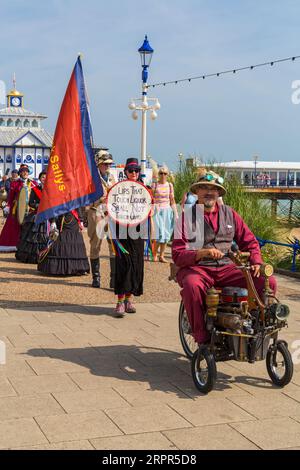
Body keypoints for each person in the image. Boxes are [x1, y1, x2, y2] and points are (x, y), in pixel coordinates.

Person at [172, 170, 277, 345]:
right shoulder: (185, 218)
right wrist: (200, 253)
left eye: (213, 189)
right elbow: (177, 254)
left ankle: (259, 328)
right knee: (192, 285)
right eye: (204, 188)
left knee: (268, 282)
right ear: (196, 192)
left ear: (219, 193)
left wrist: (256, 261)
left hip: (227, 268)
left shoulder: (230, 213)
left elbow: (250, 241)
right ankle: (201, 338)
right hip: (198, 269)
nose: (208, 192)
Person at [113, 158, 148, 317]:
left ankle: (129, 300)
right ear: (125, 172)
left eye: (136, 170)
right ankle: (120, 302)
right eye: (131, 170)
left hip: (138, 231)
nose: (134, 173)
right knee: (123, 264)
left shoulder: (145, 189)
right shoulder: (118, 189)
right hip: (122, 231)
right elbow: (111, 207)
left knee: (135, 264)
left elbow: (150, 209)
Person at [87, 150, 116, 288]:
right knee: (95, 245)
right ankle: (96, 277)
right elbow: (85, 199)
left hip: (110, 214)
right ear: (98, 164)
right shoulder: (91, 179)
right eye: (105, 164)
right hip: (96, 212)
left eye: (109, 164)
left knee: (113, 246)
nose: (108, 166)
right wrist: (98, 199)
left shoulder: (112, 178)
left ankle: (113, 278)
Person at [37, 208, 90, 276]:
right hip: (61, 218)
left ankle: (75, 268)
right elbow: (55, 205)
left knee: (72, 240)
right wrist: (53, 221)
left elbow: (78, 204)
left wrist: (81, 219)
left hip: (73, 219)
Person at [0, 164, 36, 252]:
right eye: (23, 171)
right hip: (16, 210)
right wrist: (8, 206)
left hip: (30, 210)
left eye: (26, 171)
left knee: (29, 227)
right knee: (14, 227)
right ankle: (13, 245)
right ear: (20, 173)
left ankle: (27, 246)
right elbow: (11, 197)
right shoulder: (15, 183)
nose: (25, 173)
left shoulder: (33, 184)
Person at [15, 171, 48, 263]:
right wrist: (38, 205)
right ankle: (33, 256)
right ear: (40, 179)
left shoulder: (52, 189)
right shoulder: (35, 189)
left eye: (46, 177)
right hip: (36, 214)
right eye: (42, 177)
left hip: (48, 215)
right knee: (32, 236)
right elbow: (30, 203)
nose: (44, 179)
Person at [151, 165, 178, 263]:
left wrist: (176, 213)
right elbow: (151, 198)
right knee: (158, 233)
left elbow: (172, 199)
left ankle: (161, 255)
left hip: (167, 210)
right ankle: (154, 254)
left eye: (165, 173)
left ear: (167, 175)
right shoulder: (155, 184)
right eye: (161, 173)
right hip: (157, 210)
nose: (163, 175)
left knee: (166, 234)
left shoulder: (170, 185)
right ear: (158, 174)